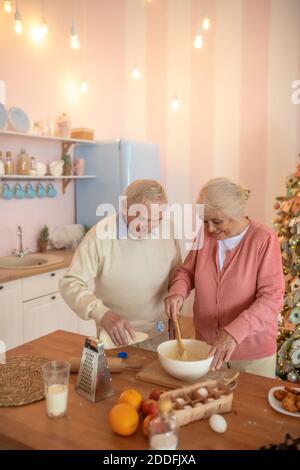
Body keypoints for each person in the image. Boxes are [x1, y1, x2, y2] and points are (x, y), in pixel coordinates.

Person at [165, 177, 284, 377]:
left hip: (252, 354)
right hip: (207, 348)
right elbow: (187, 271)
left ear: (235, 213)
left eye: (216, 221)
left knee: (251, 407)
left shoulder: (264, 239)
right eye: (205, 221)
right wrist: (177, 292)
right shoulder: (205, 234)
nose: (210, 228)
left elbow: (272, 298)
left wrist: (233, 333)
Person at [60, 179, 181, 351]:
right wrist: (102, 314)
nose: (151, 227)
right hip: (115, 339)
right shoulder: (100, 235)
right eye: (143, 219)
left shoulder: (168, 229)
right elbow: (70, 282)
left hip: (160, 336)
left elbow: (177, 275)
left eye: (158, 218)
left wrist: (175, 311)